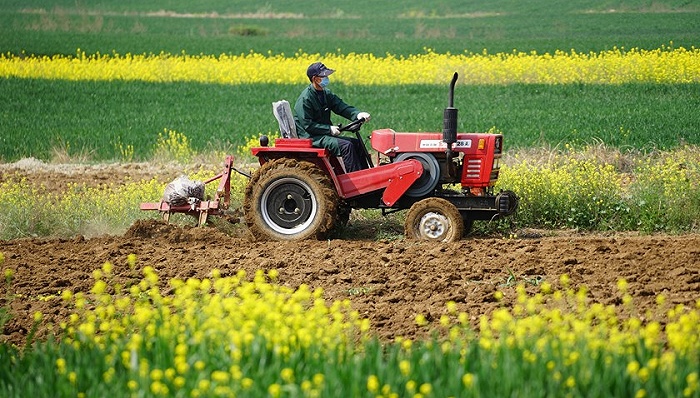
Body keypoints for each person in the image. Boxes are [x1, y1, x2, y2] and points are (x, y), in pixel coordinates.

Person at [294, 62, 371, 173]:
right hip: (312, 137)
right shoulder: (305, 99)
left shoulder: (326, 94)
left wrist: (357, 114)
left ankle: (366, 176)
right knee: (346, 146)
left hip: (323, 135)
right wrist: (329, 129)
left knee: (357, 143)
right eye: (324, 76)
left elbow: (341, 107)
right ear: (315, 79)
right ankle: (355, 183)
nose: (327, 78)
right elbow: (308, 125)